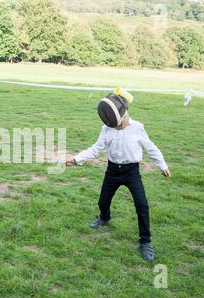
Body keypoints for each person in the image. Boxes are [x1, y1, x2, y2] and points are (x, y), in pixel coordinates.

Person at [65, 88, 171, 261]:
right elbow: (96, 148)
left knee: (142, 205)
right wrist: (76, 159)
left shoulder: (137, 128)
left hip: (132, 172)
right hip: (113, 171)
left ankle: (145, 241)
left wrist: (162, 165)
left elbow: (151, 148)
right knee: (103, 201)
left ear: (123, 113)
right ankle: (104, 217)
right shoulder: (106, 129)